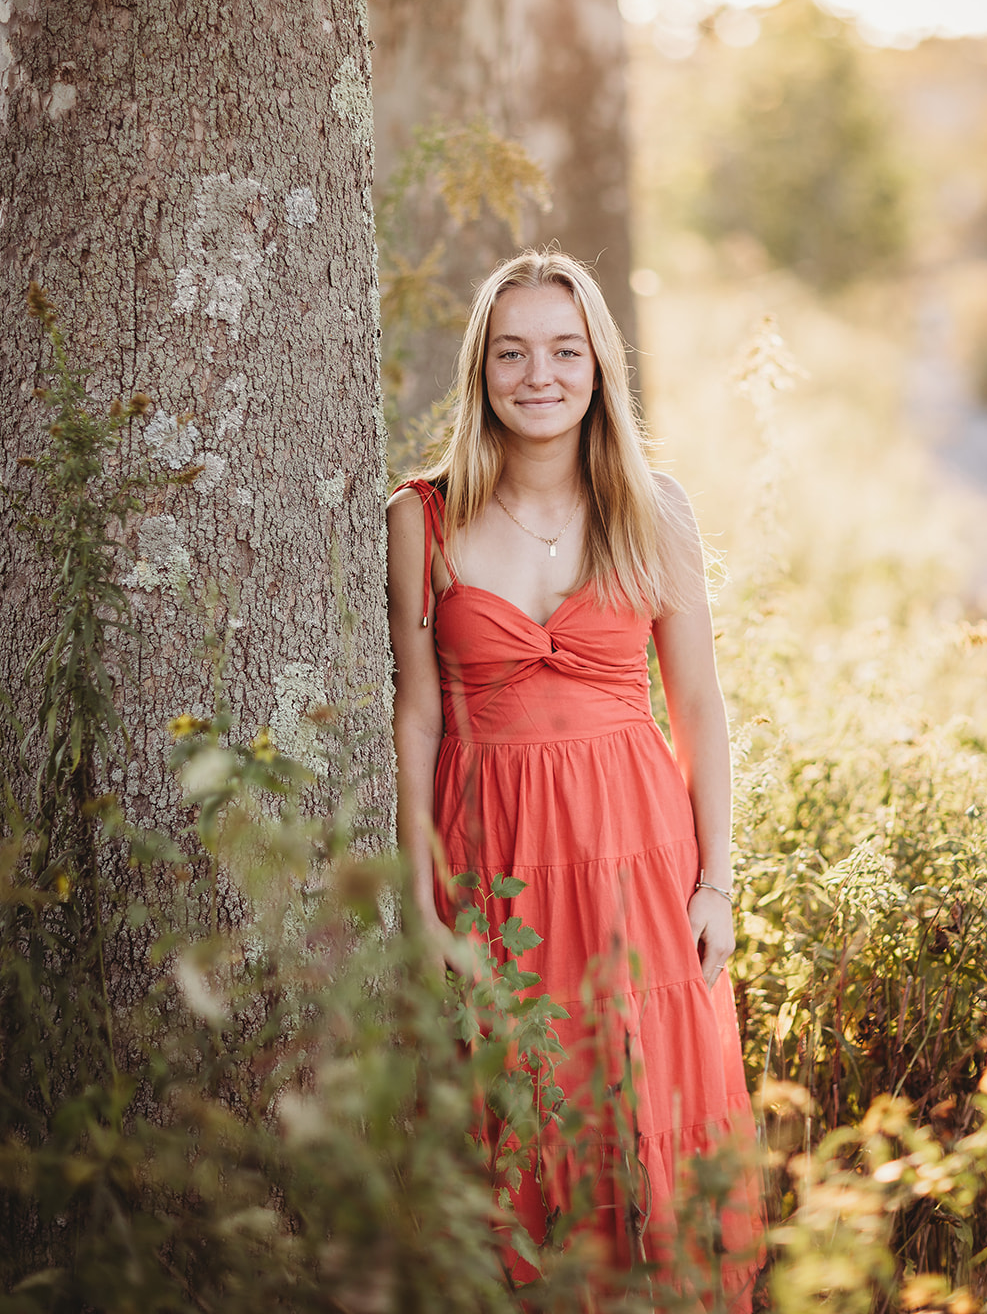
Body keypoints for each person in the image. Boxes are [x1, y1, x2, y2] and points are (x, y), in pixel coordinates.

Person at [386, 249, 761, 1305]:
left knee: (647, 1111)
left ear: (598, 364)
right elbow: (416, 717)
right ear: (480, 369)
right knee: (513, 1113)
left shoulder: (657, 508)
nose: (537, 374)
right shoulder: (420, 516)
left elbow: (697, 707)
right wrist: (421, 895)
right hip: (493, 856)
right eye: (511, 352)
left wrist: (715, 881)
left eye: (563, 349)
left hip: (640, 860)